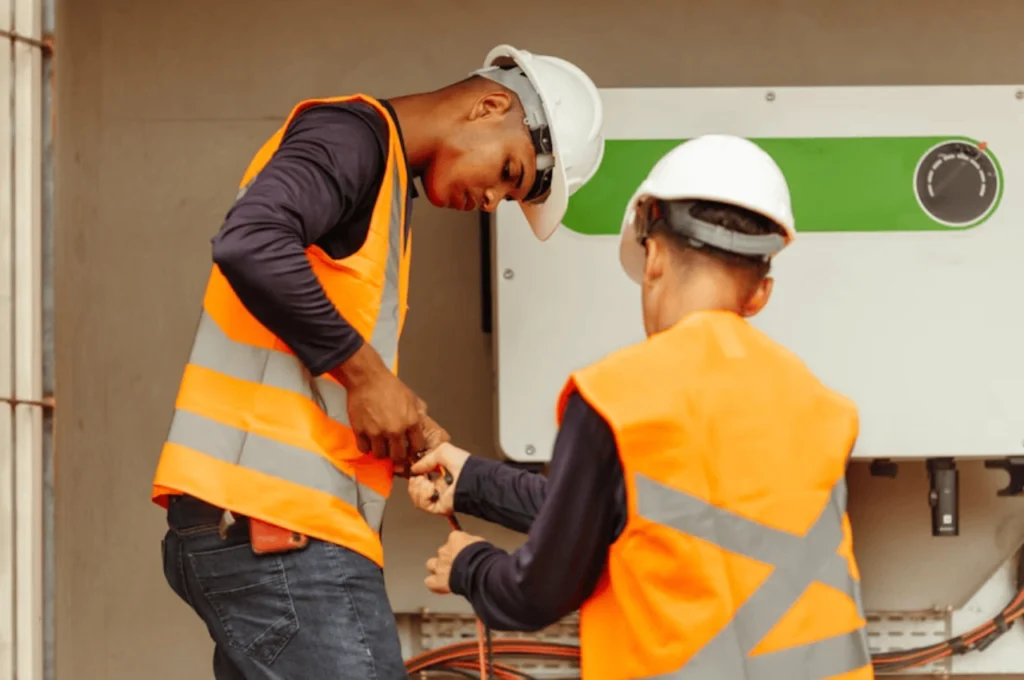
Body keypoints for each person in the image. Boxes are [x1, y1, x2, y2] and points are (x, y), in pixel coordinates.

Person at [151, 45, 605, 680]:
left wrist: (391, 421)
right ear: (491, 105)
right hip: (281, 535)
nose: (494, 198)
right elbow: (250, 240)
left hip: (255, 527)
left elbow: (300, 365)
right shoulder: (350, 136)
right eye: (510, 172)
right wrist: (368, 377)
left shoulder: (383, 181)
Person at [409, 135, 875, 680]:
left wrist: (469, 564)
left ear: (652, 256)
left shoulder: (620, 394)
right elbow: (645, 522)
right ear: (760, 293)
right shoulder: (821, 408)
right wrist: (472, 481)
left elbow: (537, 592)